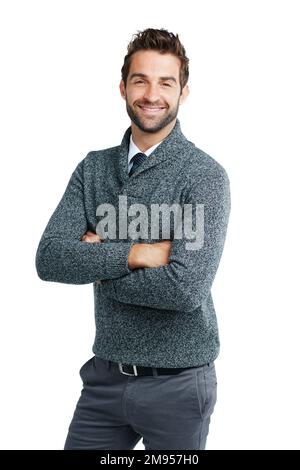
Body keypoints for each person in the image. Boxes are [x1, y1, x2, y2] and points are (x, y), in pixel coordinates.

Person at [35, 28, 231, 450]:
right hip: (104, 380)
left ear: (184, 92)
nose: (152, 94)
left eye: (166, 82)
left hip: (178, 386)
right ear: (123, 87)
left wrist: (99, 265)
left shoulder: (203, 177)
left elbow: (184, 287)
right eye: (141, 80)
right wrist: (140, 253)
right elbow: (50, 259)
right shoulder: (93, 170)